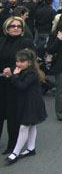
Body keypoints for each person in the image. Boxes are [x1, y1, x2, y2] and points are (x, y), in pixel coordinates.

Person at [4, 48, 47, 164]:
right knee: (31, 125)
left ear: (29, 63)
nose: (19, 64)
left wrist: (14, 76)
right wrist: (10, 76)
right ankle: (30, 148)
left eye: (22, 62)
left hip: (31, 103)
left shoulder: (31, 73)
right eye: (17, 61)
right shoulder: (24, 71)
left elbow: (22, 86)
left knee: (24, 126)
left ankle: (15, 153)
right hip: (28, 102)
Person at [0, 17, 35, 154]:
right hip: (1, 81)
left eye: (19, 26)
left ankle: (12, 144)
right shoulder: (1, 41)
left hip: (16, 82)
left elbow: (30, 61)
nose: (16, 28)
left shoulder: (26, 43)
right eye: (13, 26)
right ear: (6, 28)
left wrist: (13, 70)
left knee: (13, 114)